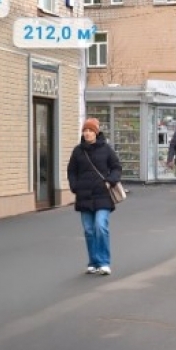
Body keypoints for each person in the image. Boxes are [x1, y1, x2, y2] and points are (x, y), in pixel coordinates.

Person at [67, 117, 123, 276]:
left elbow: (116, 167)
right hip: (84, 195)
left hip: (102, 194)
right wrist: (75, 186)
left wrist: (110, 181)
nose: (87, 133)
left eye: (90, 131)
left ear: (96, 133)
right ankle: (93, 262)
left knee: (100, 226)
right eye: (85, 130)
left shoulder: (106, 149)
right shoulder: (78, 151)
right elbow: (71, 171)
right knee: (89, 230)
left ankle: (104, 262)